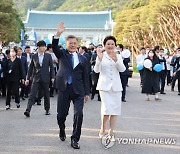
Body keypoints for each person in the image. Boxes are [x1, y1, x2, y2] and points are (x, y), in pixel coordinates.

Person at [52, 22, 90, 149]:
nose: (73, 45)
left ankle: (75, 139)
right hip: (64, 88)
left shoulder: (84, 59)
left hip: (78, 90)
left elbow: (86, 76)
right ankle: (62, 128)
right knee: (61, 115)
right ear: (66, 44)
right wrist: (58, 33)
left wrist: (87, 93)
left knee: (79, 113)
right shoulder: (62, 54)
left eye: (74, 43)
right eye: (70, 43)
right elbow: (54, 46)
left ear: (77, 44)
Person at [94, 36, 126, 141]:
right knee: (107, 109)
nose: (110, 46)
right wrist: (99, 59)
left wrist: (117, 60)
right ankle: (103, 128)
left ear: (115, 45)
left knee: (115, 110)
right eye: (108, 44)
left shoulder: (118, 55)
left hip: (116, 87)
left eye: (112, 44)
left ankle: (111, 131)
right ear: (104, 45)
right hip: (104, 87)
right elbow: (96, 70)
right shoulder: (101, 55)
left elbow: (122, 70)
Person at [24, 41, 55, 117]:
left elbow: (51, 67)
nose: (44, 48)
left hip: (45, 77)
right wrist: (27, 78)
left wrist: (53, 77)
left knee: (46, 94)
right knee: (32, 94)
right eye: (42, 46)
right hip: (36, 78)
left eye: (45, 46)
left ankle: (47, 109)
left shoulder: (48, 56)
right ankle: (28, 110)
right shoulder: (34, 56)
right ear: (38, 47)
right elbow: (30, 68)